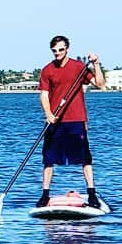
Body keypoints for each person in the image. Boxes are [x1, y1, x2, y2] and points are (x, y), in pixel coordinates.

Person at [37, 34, 106, 208]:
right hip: (55, 121)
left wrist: (96, 64)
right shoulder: (47, 70)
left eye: (61, 50)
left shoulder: (79, 67)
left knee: (85, 158)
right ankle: (45, 195)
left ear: (67, 49)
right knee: (48, 159)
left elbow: (100, 84)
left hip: (76, 119)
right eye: (54, 51)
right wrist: (48, 113)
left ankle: (92, 194)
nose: (58, 53)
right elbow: (44, 95)